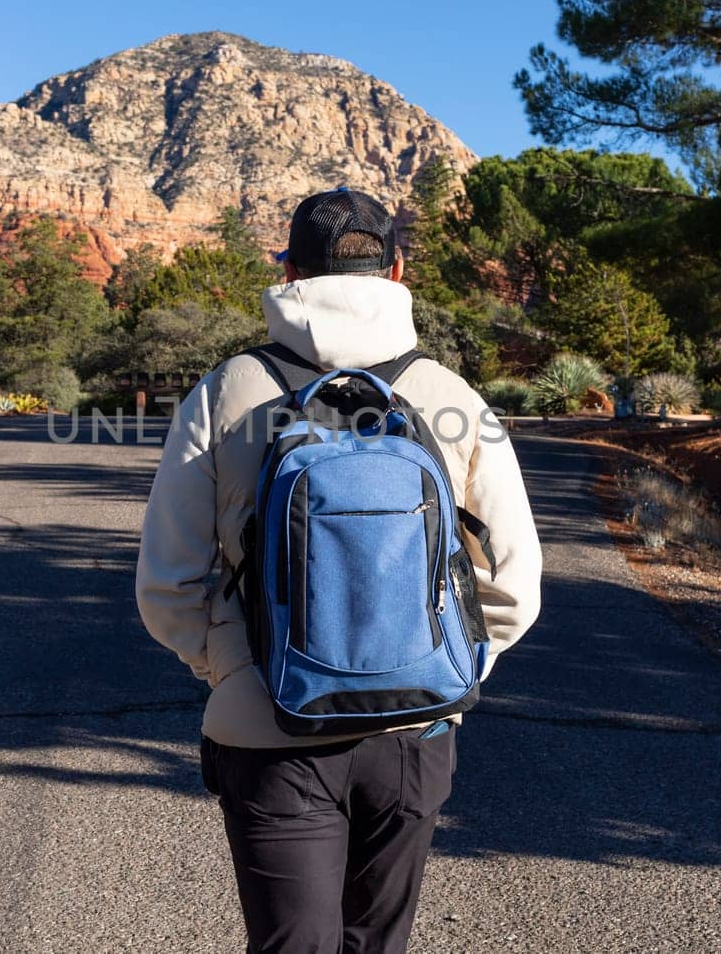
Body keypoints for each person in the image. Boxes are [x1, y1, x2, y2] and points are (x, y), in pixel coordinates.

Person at [135, 188, 543, 953]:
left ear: (289, 270)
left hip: (269, 727)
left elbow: (167, 583)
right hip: (414, 733)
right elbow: (514, 586)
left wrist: (233, 665)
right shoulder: (451, 397)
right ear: (397, 270)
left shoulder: (227, 391)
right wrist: (445, 668)